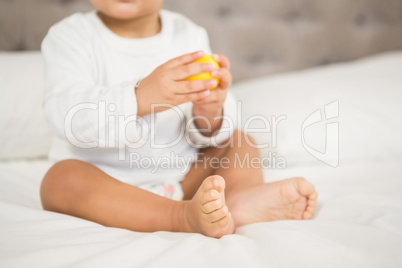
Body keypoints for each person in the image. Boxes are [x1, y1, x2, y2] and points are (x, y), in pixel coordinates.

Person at [40, 0, 318, 238]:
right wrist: (140, 97)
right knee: (60, 180)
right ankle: (181, 217)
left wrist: (209, 112)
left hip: (184, 179)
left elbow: (211, 129)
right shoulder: (70, 36)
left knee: (239, 140)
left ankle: (234, 201)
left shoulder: (187, 34)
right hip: (108, 184)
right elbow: (66, 115)